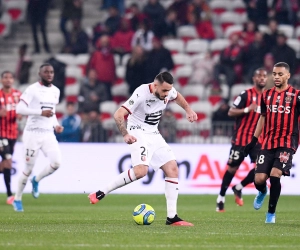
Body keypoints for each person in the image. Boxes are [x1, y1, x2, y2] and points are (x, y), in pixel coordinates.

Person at [88, 72, 198, 226]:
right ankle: (101, 192)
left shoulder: (168, 91)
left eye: (169, 90)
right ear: (155, 85)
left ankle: (172, 217)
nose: (167, 94)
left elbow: (177, 95)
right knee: (141, 171)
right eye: (165, 91)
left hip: (154, 133)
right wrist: (125, 134)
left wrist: (188, 110)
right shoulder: (141, 92)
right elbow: (118, 114)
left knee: (172, 169)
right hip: (137, 131)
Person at [244, 62, 300, 223]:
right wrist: (253, 140)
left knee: (275, 175)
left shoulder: (296, 96)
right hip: (268, 142)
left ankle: (270, 214)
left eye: (280, 74)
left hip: (287, 143)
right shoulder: (266, 95)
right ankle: (262, 192)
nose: (276, 77)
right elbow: (262, 117)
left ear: (288, 76)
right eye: (274, 74)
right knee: (259, 180)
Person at [13, 64, 64, 212]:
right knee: (28, 168)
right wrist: (40, 112)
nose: (49, 74)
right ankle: (17, 198)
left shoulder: (56, 91)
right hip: (32, 134)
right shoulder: (32, 89)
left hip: (48, 133)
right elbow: (19, 109)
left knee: (56, 163)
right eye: (46, 72)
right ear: (39, 73)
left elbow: (52, 112)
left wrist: (56, 125)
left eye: (51, 72)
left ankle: (36, 180)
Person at [216, 68, 267, 212]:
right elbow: (231, 111)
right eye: (259, 76)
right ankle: (221, 197)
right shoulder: (246, 94)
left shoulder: (268, 97)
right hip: (241, 139)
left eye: (264, 76)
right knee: (232, 168)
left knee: (261, 169)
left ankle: (239, 187)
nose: (262, 78)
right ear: (254, 79)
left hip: (257, 140)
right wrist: (246, 110)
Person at [0, 71, 21, 205]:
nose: (8, 80)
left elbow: (23, 110)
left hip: (13, 134)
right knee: (8, 161)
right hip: (1, 133)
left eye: (10, 77)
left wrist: (20, 115)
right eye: (5, 77)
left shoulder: (17, 95)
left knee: (6, 165)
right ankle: (9, 195)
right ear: (1, 80)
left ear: (13, 80)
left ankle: (9, 195)